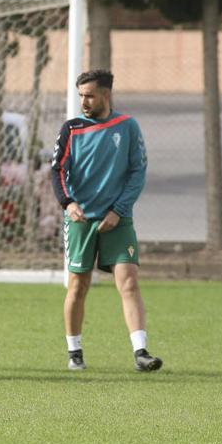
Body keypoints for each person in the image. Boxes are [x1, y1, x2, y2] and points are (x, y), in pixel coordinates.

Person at [50, 69, 163, 372]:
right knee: (78, 285)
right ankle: (75, 352)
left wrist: (118, 210)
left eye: (89, 95)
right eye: (81, 96)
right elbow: (57, 171)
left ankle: (141, 351)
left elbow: (137, 172)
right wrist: (69, 204)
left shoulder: (127, 127)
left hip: (118, 218)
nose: (83, 102)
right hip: (81, 219)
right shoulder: (71, 129)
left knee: (128, 281)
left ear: (106, 95)